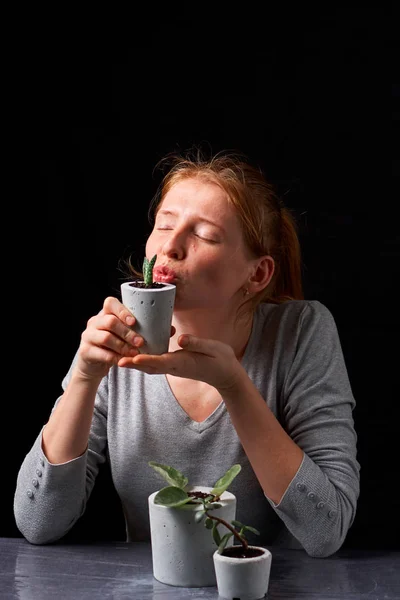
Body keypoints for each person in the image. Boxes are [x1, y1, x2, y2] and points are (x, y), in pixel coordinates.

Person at [14, 148, 360, 558]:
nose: (171, 246)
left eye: (205, 235)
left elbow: (326, 531)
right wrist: (86, 381)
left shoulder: (301, 331)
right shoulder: (113, 339)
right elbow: (38, 523)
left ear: (258, 273)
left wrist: (234, 385)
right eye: (164, 225)